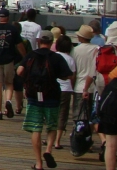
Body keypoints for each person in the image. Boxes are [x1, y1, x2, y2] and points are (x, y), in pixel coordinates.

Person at [17, 33, 74, 170]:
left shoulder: (31, 55)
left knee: (36, 128)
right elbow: (67, 75)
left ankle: (39, 163)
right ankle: (48, 150)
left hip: (33, 95)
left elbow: (19, 71)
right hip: (52, 95)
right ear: (51, 42)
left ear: (39, 41)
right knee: (51, 126)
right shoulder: (56, 57)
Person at [0, 8, 27, 119]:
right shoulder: (13, 29)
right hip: (9, 60)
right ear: (8, 17)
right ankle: (8, 101)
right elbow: (19, 45)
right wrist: (25, 58)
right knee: (9, 83)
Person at [76, 25, 104, 155]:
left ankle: (81, 141)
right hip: (96, 87)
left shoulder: (75, 50)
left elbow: (73, 70)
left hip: (79, 87)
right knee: (93, 116)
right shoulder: (97, 49)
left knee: (80, 117)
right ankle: (90, 139)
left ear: (80, 37)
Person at [51, 35, 76, 150]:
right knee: (63, 115)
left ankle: (50, 137)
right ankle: (57, 141)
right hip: (66, 89)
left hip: (52, 87)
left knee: (51, 112)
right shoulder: (70, 59)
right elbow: (72, 76)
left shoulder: (53, 56)